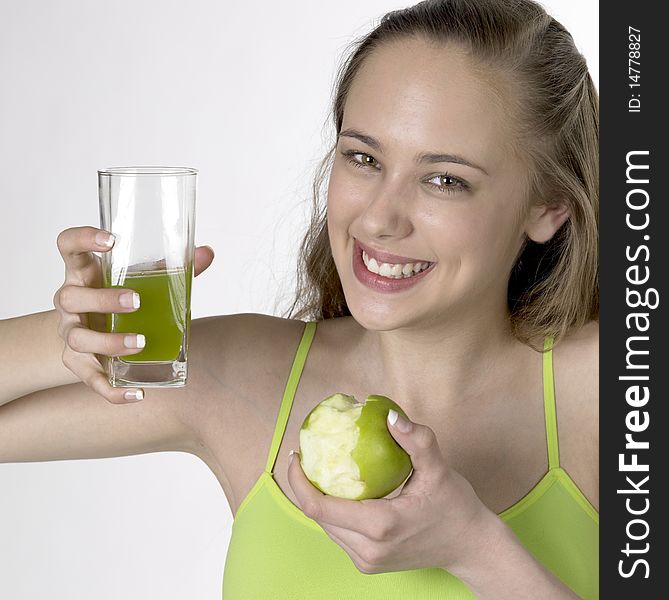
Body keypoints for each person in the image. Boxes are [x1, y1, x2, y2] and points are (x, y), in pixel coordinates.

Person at [0, 0, 598, 598]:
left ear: (548, 206)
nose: (380, 219)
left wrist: (474, 547)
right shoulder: (245, 375)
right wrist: (72, 335)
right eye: (363, 158)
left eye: (445, 179)